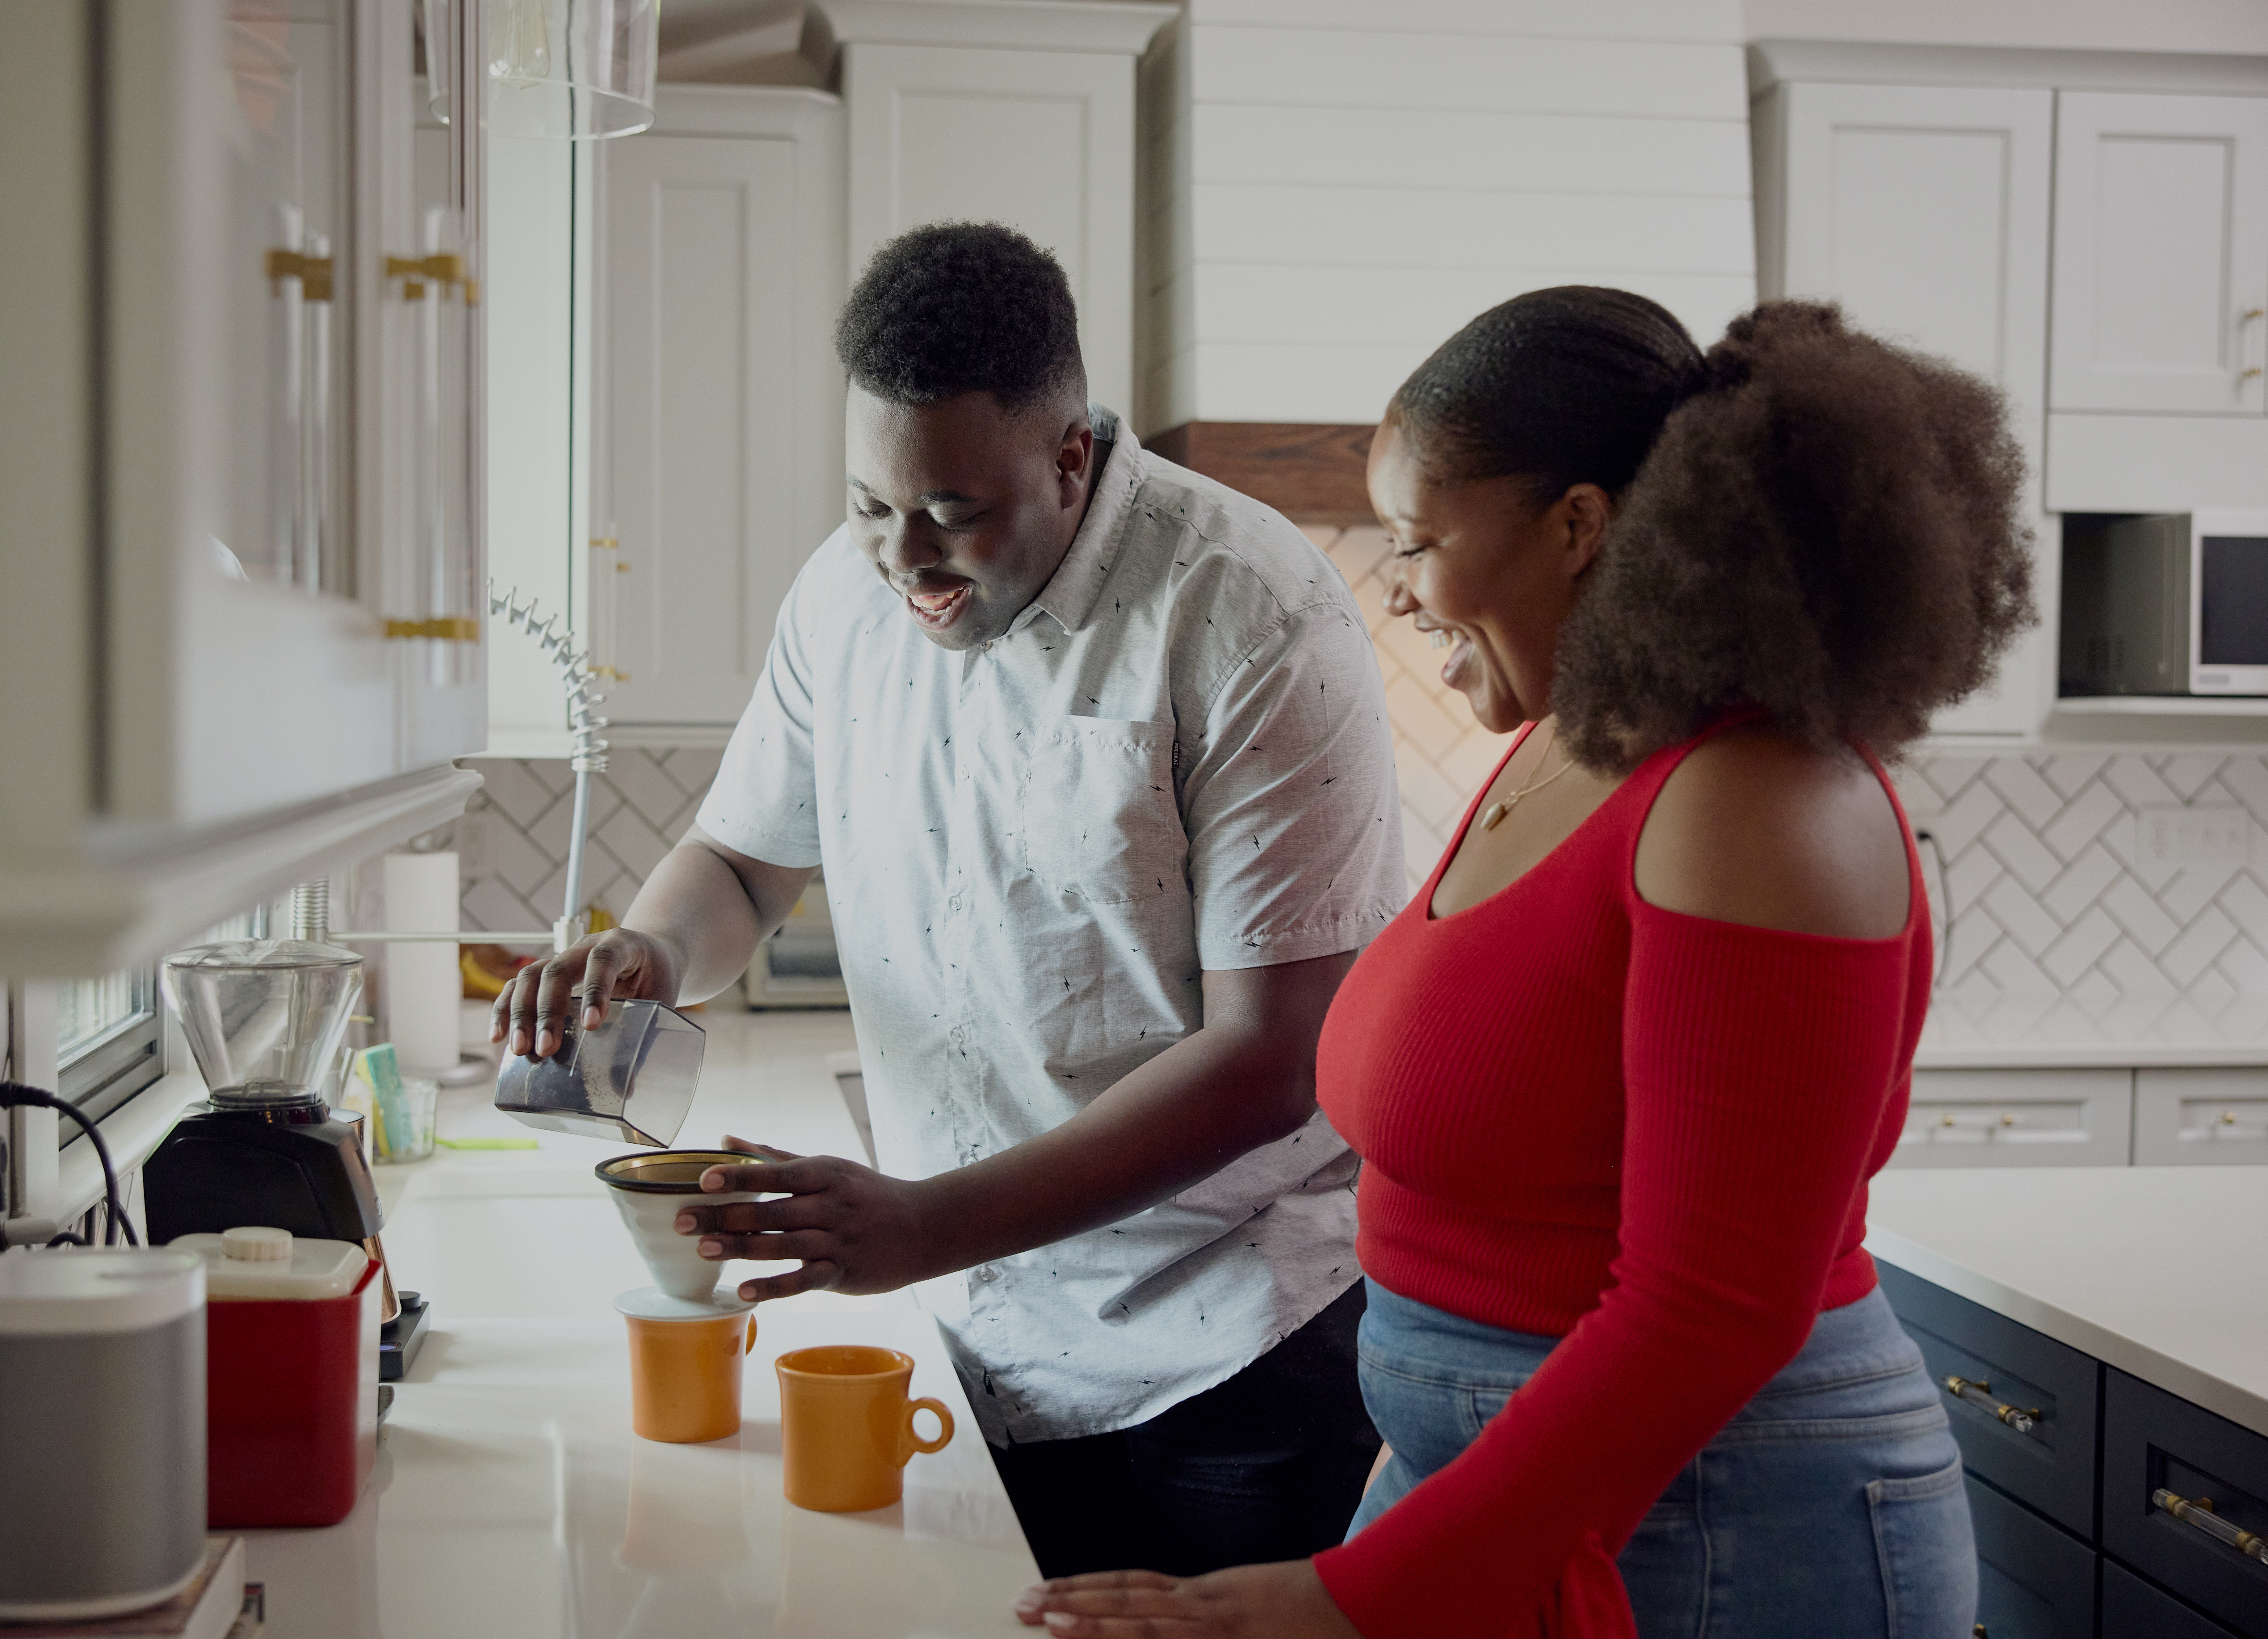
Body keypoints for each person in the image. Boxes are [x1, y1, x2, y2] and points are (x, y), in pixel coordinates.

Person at [1013, 289, 2034, 1637]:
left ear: (1577, 525)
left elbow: (1709, 1314)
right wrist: (1419, 1462)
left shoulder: (1759, 800)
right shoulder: (1569, 742)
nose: (1395, 585)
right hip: (1526, 1491)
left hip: (1726, 1519)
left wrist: (1351, 1589)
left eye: (1420, 539)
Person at [494, 221, 1403, 1576]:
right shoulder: (838, 598)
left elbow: (1273, 1057)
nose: (903, 559)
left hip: (1227, 1343)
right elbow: (745, 862)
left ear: (1073, 457)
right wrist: (649, 947)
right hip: (975, 1319)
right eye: (872, 505)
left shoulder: (1252, 609)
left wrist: (922, 1222)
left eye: (956, 514)